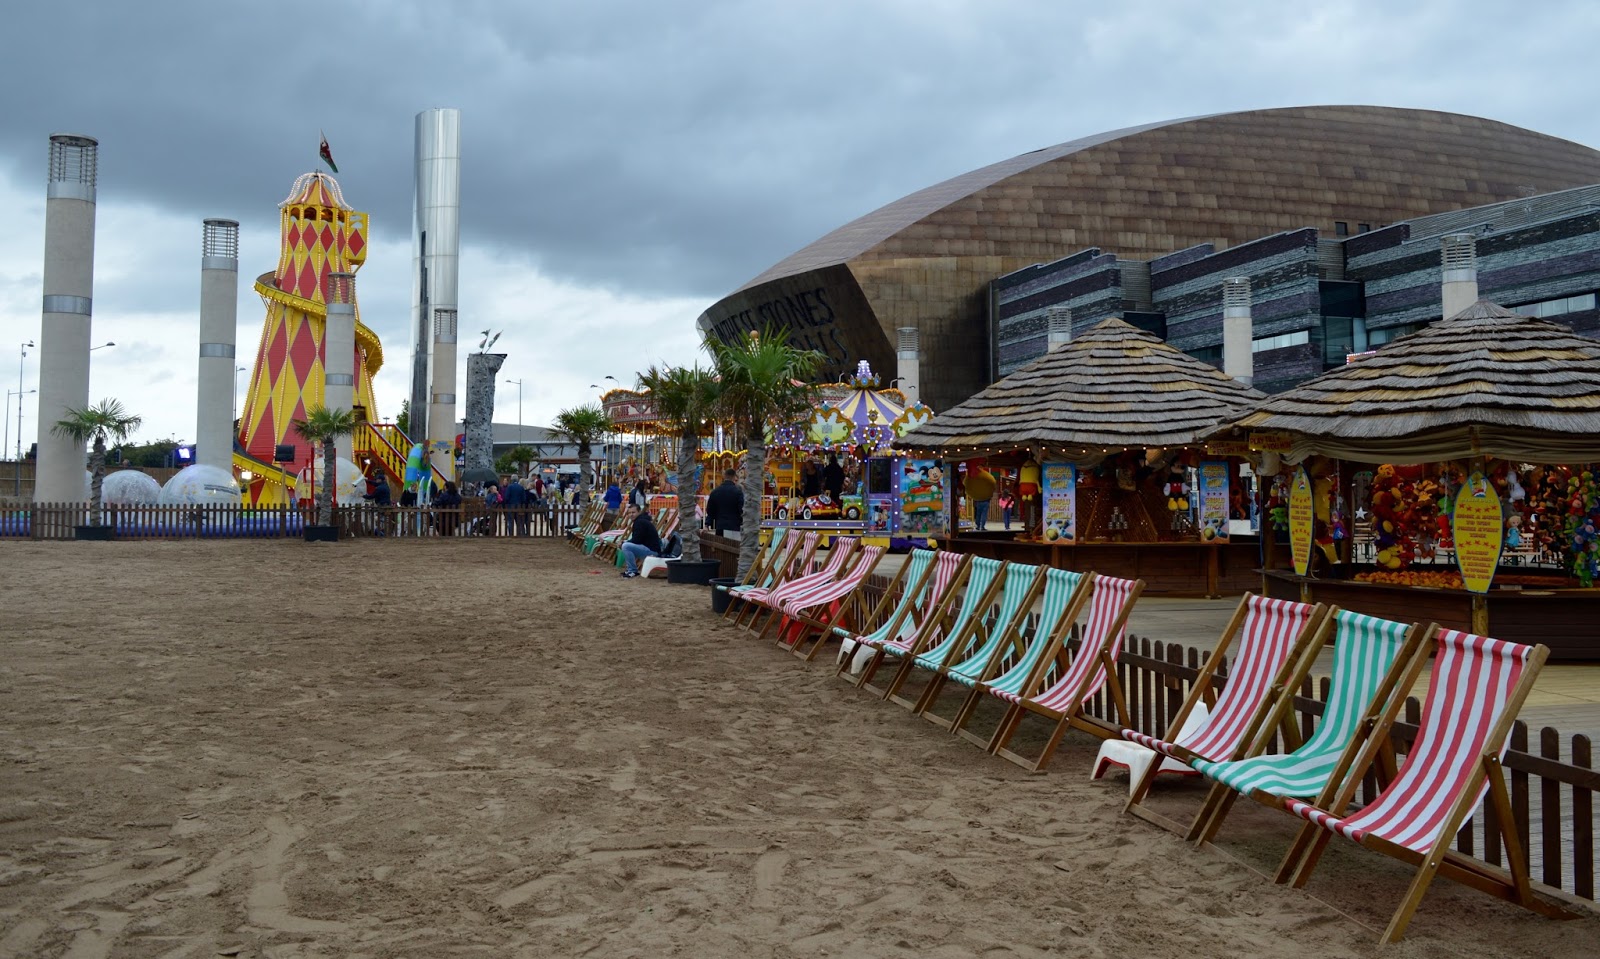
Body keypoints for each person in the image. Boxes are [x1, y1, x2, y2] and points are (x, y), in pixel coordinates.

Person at [620, 508, 663, 578]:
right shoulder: (641, 521)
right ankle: (631, 570)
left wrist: (624, 542)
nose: (631, 515)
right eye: (629, 513)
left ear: (639, 512)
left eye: (633, 512)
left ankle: (633, 571)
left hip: (652, 551)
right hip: (650, 548)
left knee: (626, 546)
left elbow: (637, 540)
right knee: (626, 545)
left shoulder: (640, 522)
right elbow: (638, 539)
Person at [705, 468, 744, 536]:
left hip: (720, 526)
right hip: (734, 527)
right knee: (733, 546)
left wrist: (707, 524)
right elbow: (742, 509)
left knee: (720, 546)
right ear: (734, 477)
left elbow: (710, 511)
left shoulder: (715, 492)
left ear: (724, 476)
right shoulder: (738, 492)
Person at [965, 463, 996, 531]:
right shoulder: (986, 476)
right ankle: (982, 526)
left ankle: (978, 526)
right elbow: (993, 483)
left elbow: (966, 484)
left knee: (978, 514)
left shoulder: (972, 476)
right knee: (983, 514)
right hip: (985, 500)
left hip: (978, 500)